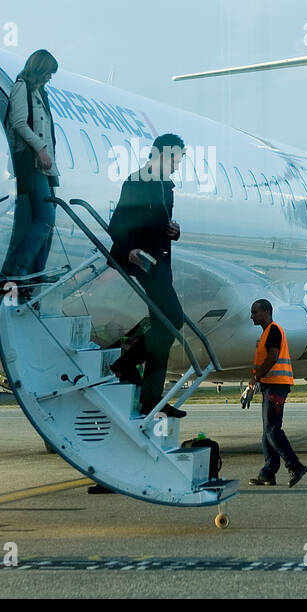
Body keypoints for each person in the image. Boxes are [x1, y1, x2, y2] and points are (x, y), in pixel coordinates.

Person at [107, 133, 188, 418]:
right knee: (172, 319)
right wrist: (129, 249)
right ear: (162, 156)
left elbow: (161, 228)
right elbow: (116, 223)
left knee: (163, 332)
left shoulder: (167, 188)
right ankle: (128, 366)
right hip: (140, 260)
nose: (178, 166)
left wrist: (173, 232)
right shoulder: (136, 183)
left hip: (159, 262)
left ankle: (151, 397)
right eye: (176, 160)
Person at [0, 49, 60, 283]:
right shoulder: (22, 88)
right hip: (31, 161)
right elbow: (19, 123)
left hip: (41, 165)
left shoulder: (39, 93)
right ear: (39, 68)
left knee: (44, 216)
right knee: (46, 217)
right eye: (48, 72)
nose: (50, 77)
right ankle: (18, 267)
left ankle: (32, 268)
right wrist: (41, 148)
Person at [245, 300, 307, 487]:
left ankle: (295, 466)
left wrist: (254, 379)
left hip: (276, 387)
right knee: (267, 431)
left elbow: (272, 358)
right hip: (271, 386)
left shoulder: (273, 330)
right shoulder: (266, 333)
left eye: (255, 312)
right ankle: (268, 472)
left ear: (266, 312)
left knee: (272, 430)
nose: (252, 316)